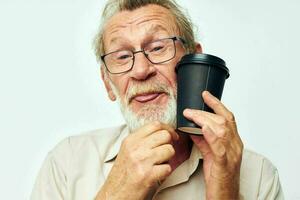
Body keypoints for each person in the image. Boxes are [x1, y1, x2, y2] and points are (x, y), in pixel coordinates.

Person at [31, 0, 284, 199]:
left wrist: (224, 190)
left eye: (158, 47)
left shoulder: (259, 175)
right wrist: (118, 194)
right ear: (108, 82)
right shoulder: (66, 164)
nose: (141, 70)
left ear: (193, 62)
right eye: (121, 56)